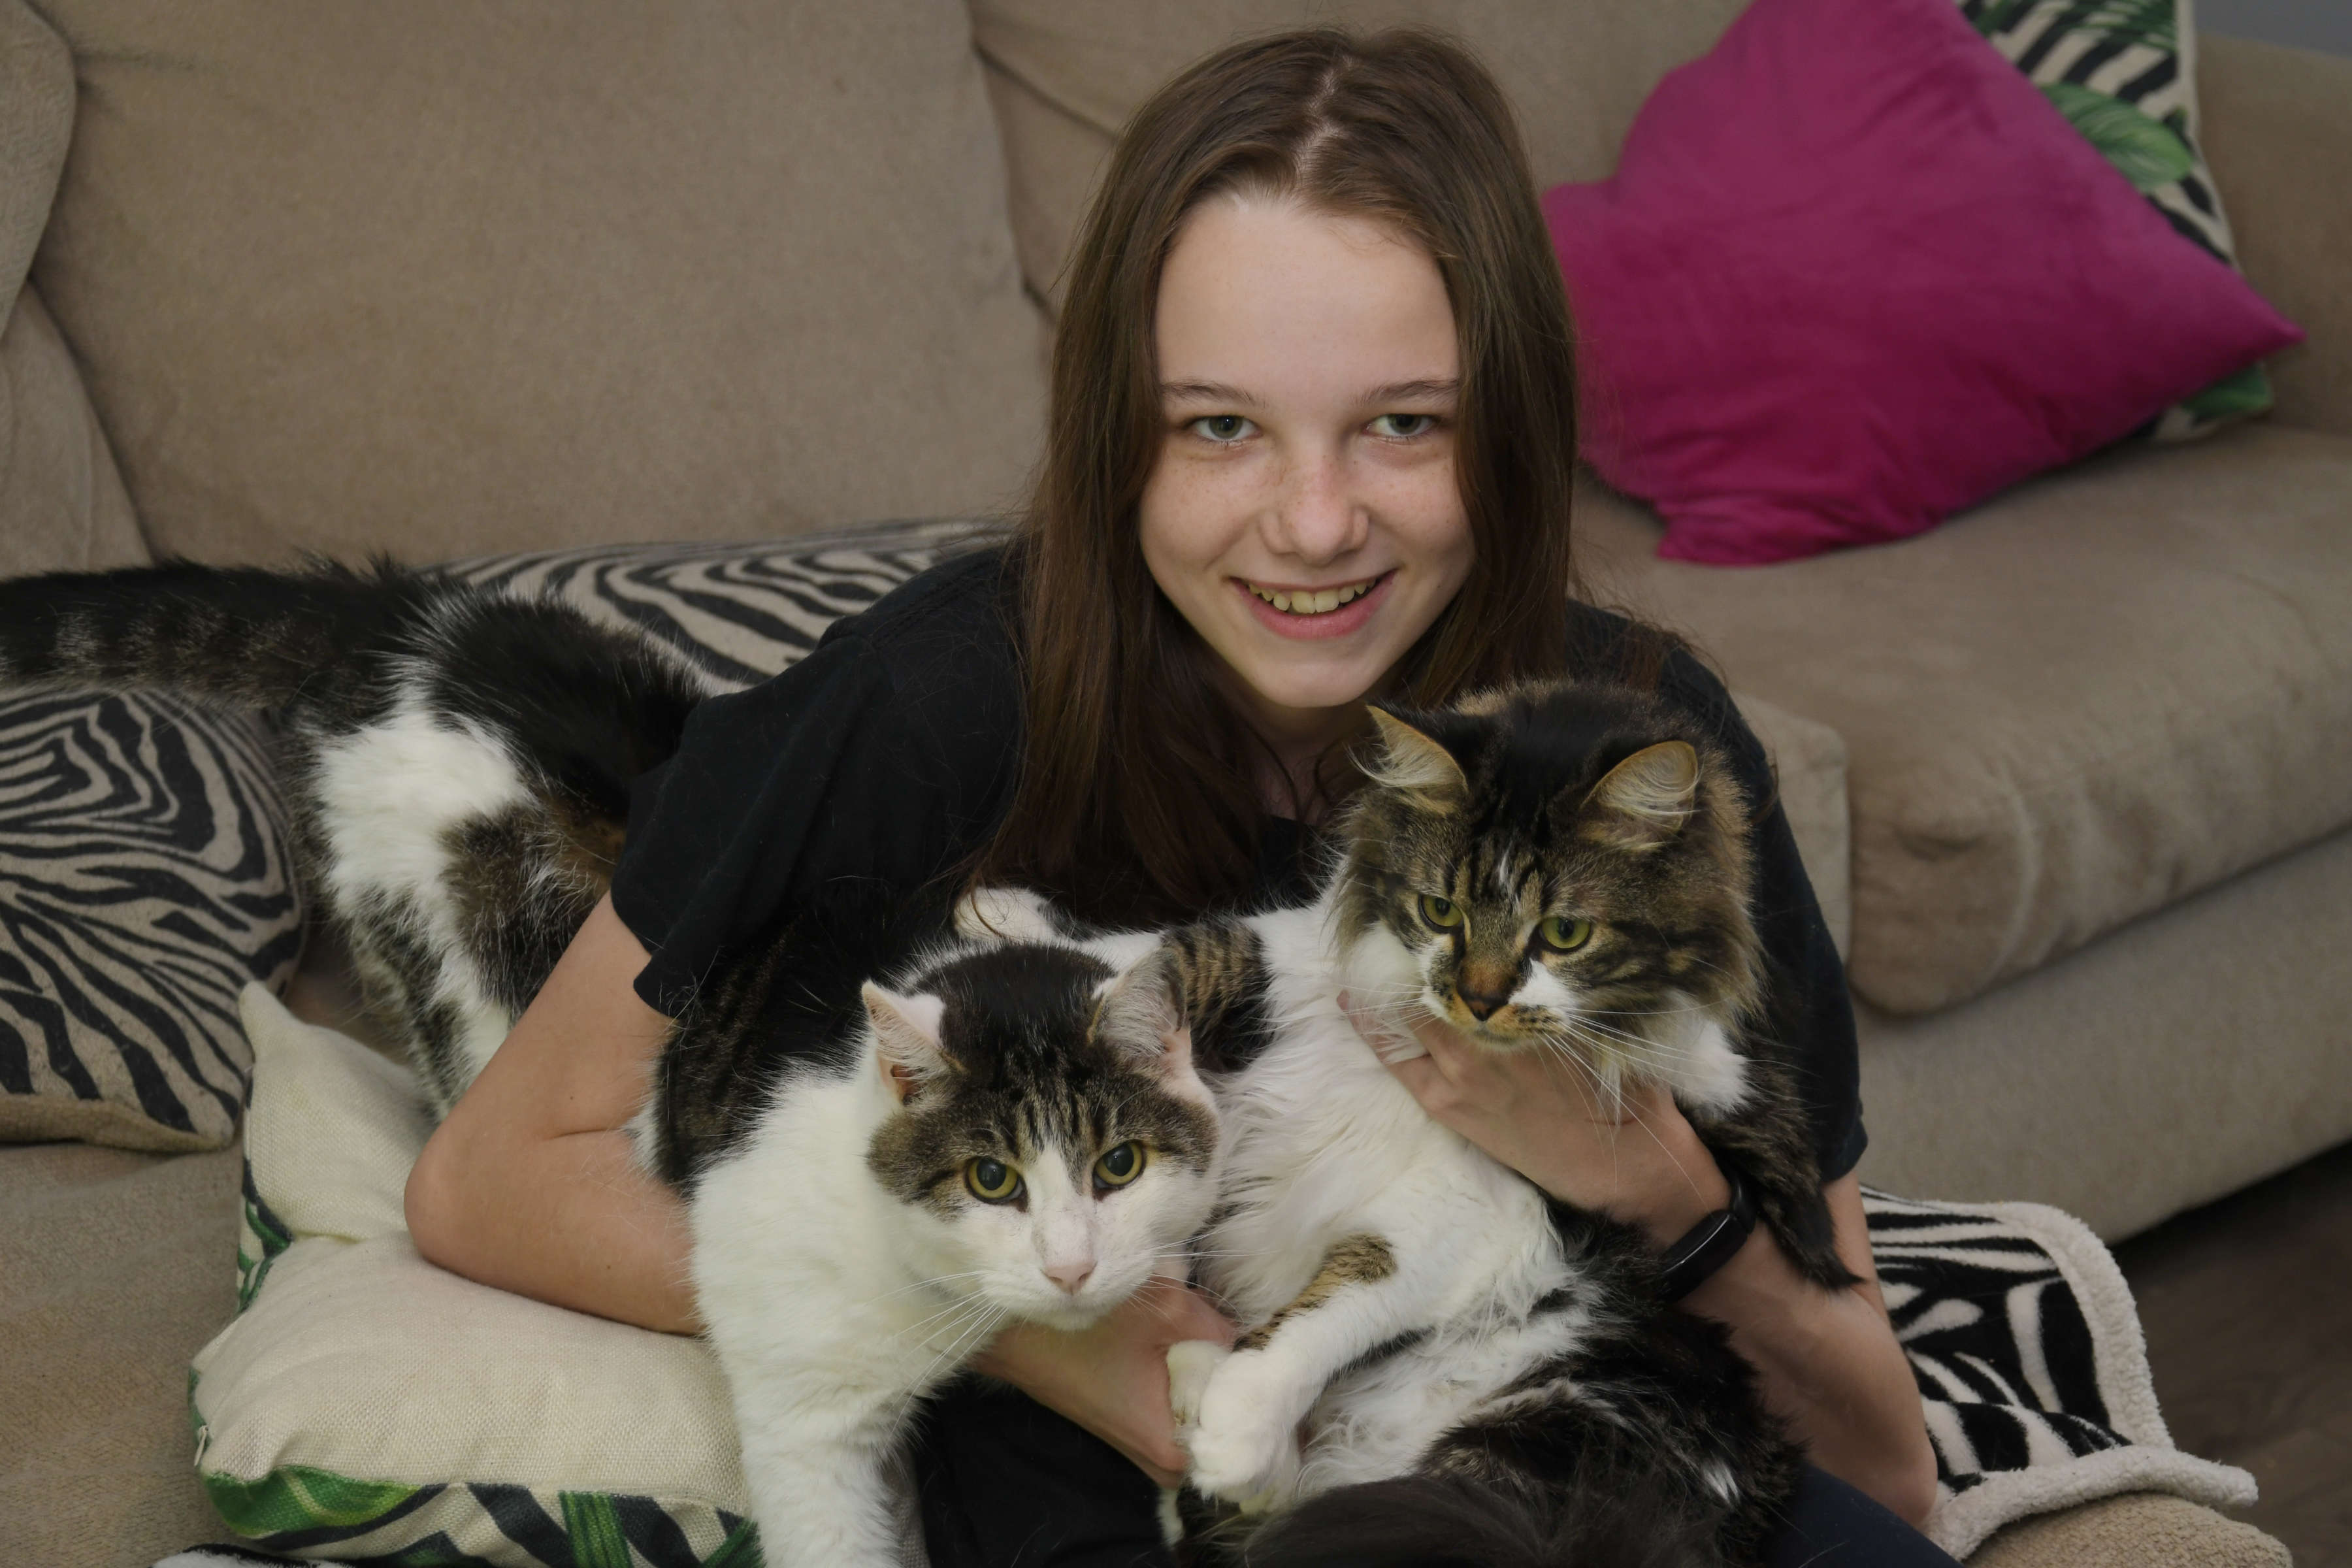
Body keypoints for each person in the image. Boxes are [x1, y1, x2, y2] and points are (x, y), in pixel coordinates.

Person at [405, 25, 1947, 1567]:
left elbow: (1886, 1467)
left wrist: (1664, 1188)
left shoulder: (1634, 753)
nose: (1317, 523)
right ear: (1116, 436)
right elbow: (492, 1179)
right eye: (1222, 425)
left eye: (1405, 422)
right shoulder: (929, 711)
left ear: (1513, 426)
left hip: (1581, 1455)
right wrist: (1026, 1337)